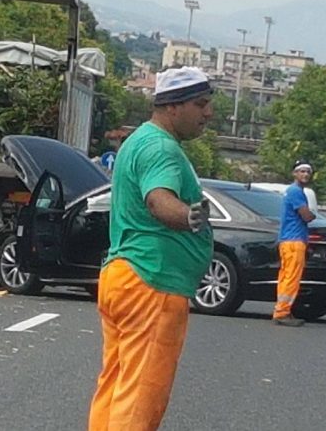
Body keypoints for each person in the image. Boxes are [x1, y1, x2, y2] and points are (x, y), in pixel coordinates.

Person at [89, 67, 214, 431]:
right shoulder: (162, 148)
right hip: (152, 282)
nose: (209, 113)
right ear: (172, 107)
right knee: (143, 396)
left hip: (124, 275)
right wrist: (191, 217)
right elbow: (159, 201)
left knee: (116, 387)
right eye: (201, 104)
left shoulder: (139, 140)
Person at [273, 159, 317, 326]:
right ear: (295, 173)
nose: (305, 174)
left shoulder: (291, 191)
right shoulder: (296, 192)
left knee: (285, 277)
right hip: (294, 241)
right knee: (292, 277)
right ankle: (282, 312)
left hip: (287, 240)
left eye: (308, 171)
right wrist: (313, 215)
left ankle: (282, 310)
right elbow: (306, 215)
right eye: (302, 171)